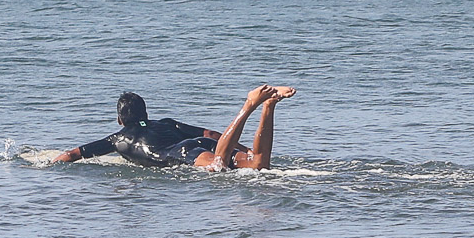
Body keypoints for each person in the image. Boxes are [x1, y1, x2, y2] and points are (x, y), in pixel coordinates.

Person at [49, 85, 295, 170]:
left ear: (120, 120)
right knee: (258, 164)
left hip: (183, 154)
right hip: (198, 145)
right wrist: (244, 151)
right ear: (146, 114)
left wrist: (49, 166)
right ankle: (269, 105)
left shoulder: (117, 139)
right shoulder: (165, 123)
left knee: (218, 165)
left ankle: (250, 104)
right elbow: (211, 135)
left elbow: (73, 155)